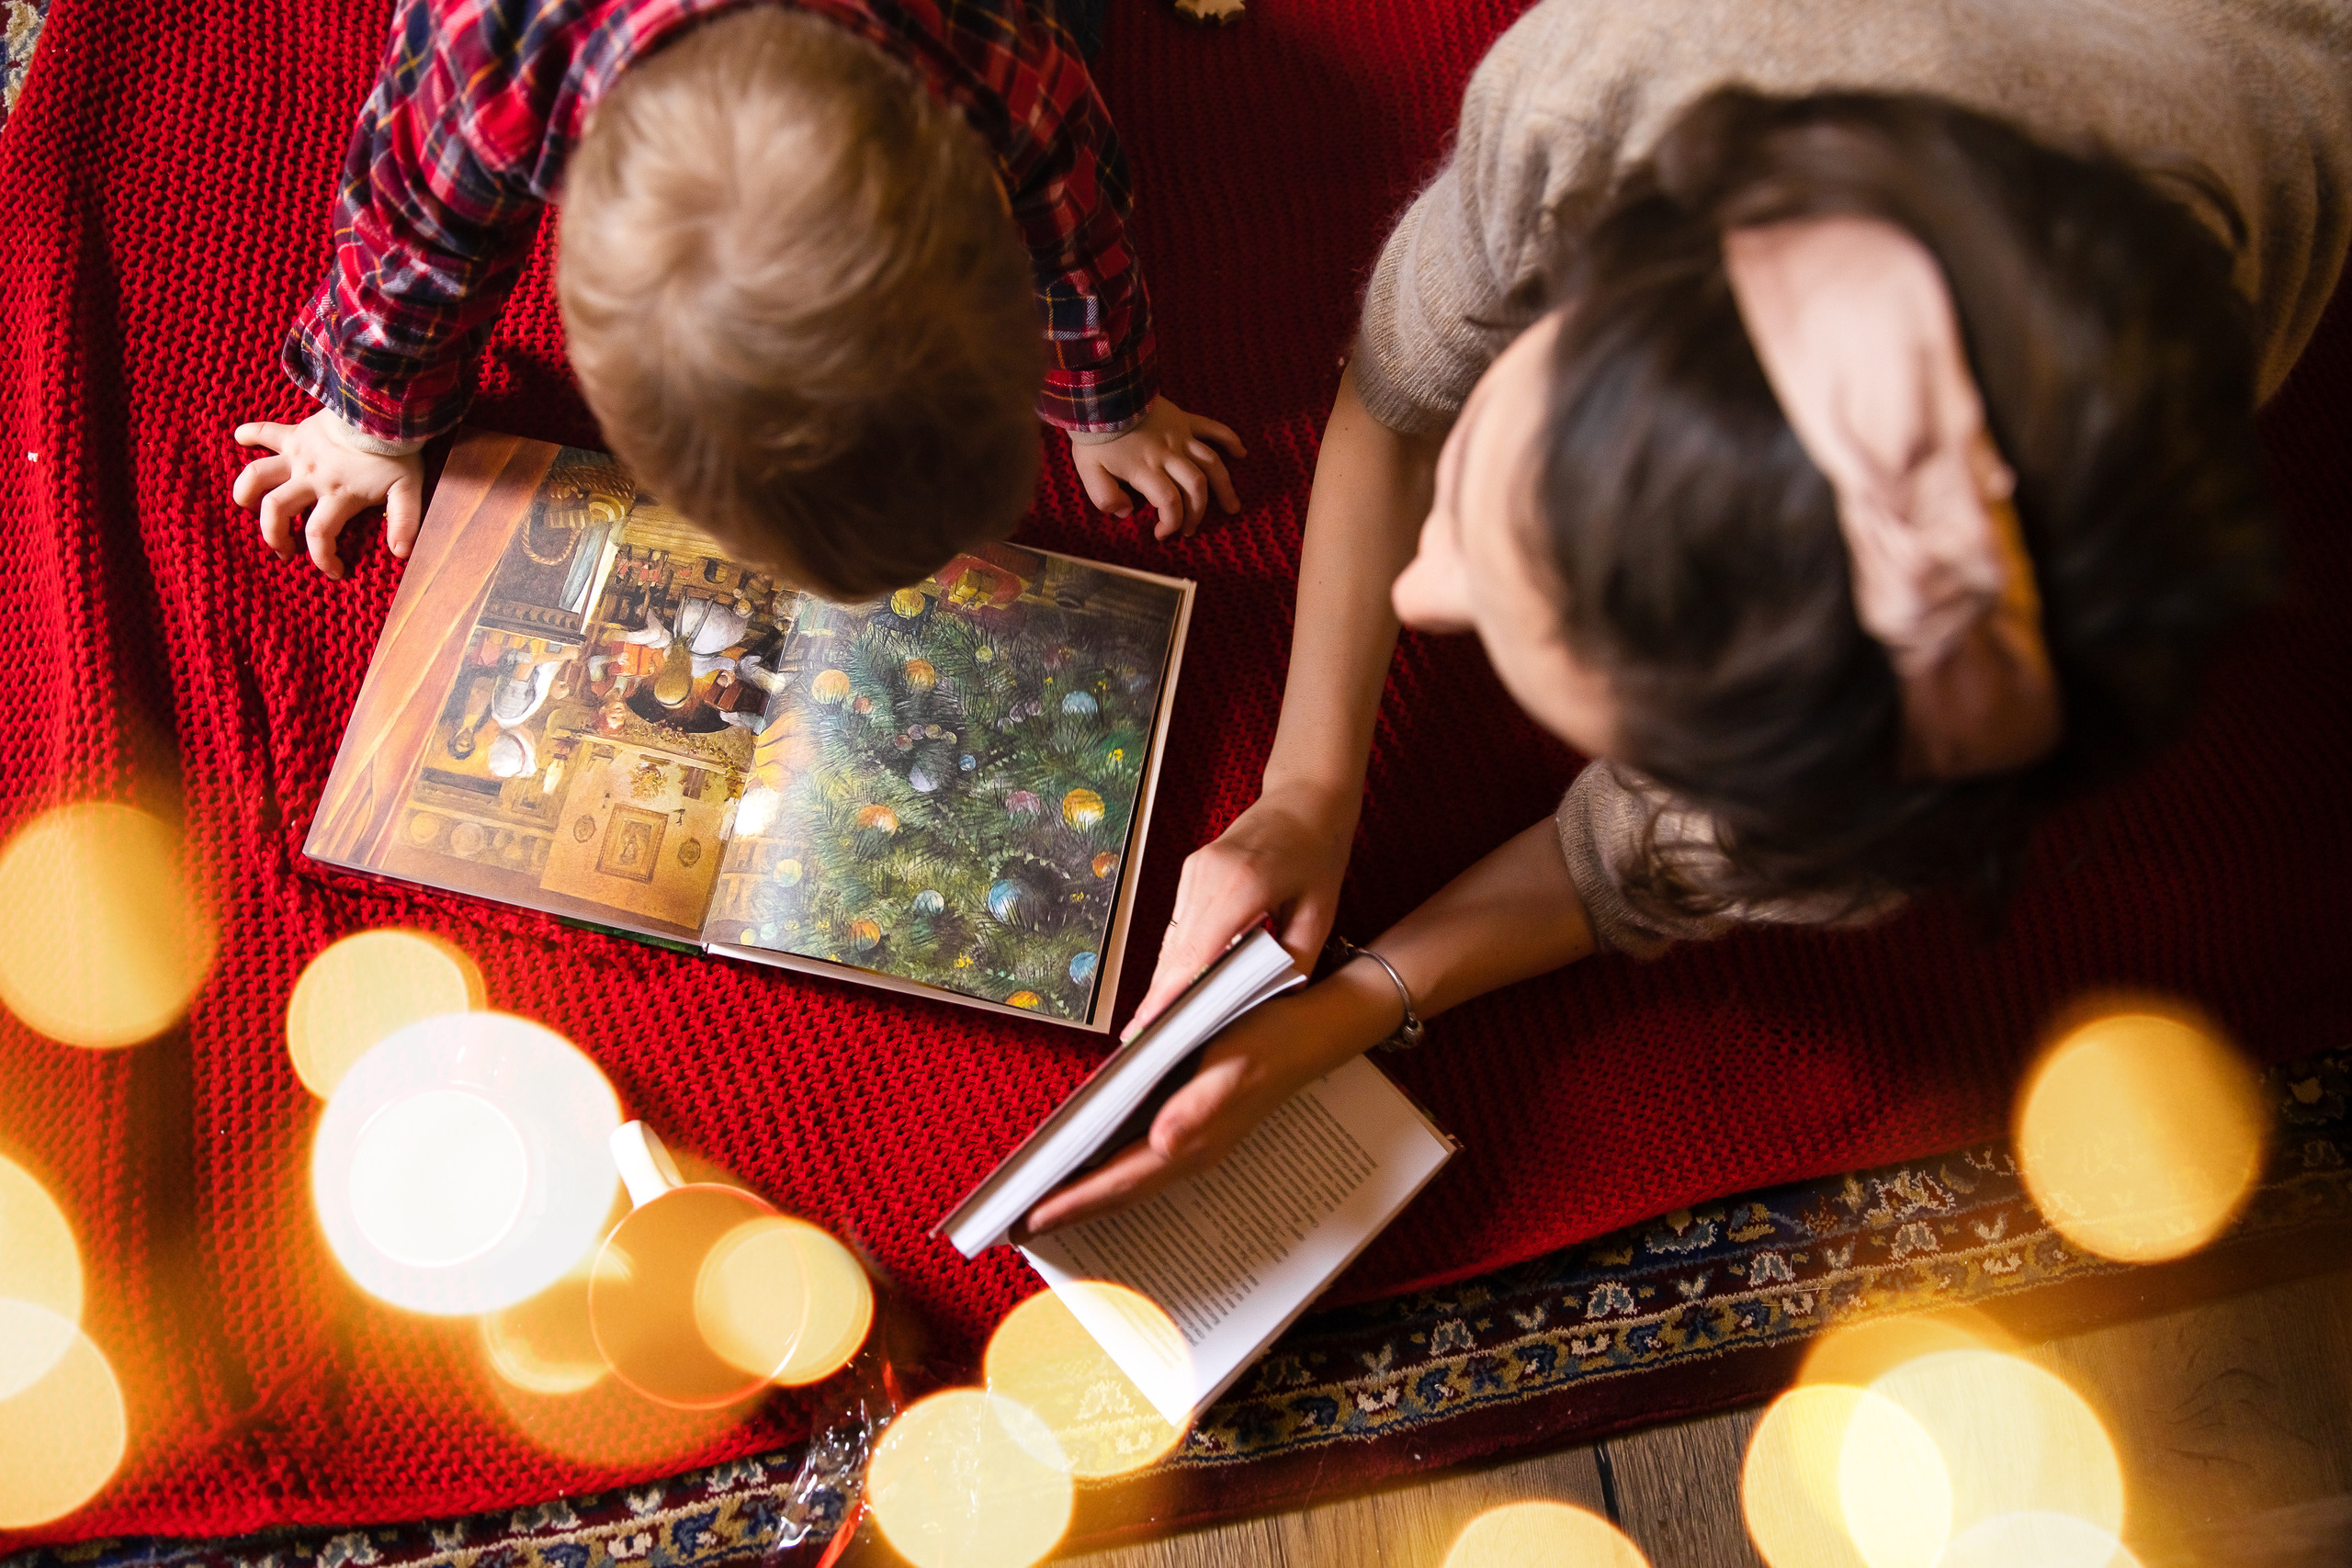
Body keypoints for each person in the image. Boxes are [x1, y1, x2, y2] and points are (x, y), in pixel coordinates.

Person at [1022, 0, 2351, 1236]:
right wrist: (1308, 787)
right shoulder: (1608, 86)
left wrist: (1354, 1011)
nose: (1418, 591)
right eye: (1492, 505)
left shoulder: (1926, 756)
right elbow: (1400, 384)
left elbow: (1639, 855)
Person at [230, 0, 1243, 594]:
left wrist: (1111, 407)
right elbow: (407, 237)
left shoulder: (1009, 66)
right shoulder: (493, 51)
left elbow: (1078, 241)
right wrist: (372, 421)